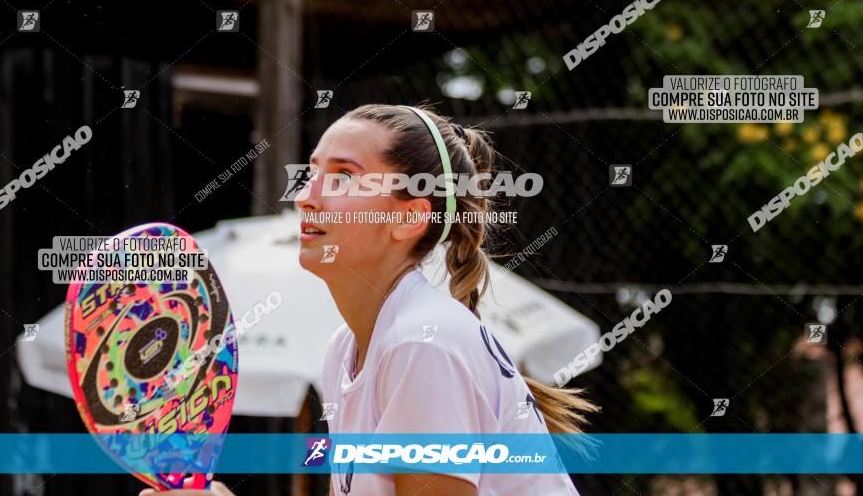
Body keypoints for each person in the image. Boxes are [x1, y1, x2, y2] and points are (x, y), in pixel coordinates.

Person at [144, 103, 597, 496]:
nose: (306, 198)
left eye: (342, 178)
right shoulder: (346, 348)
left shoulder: (421, 346)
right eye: (311, 173)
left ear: (408, 219)